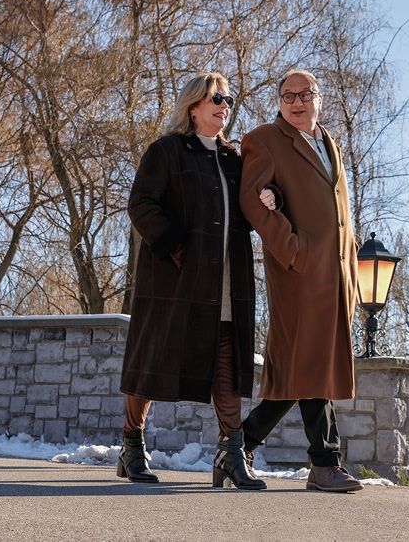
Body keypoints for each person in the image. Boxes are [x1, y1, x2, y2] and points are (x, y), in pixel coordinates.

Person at [119, 72, 266, 490]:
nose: (225, 106)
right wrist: (174, 244)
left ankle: (231, 453)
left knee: (226, 364)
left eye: (229, 99)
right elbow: (141, 203)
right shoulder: (166, 152)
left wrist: (270, 199)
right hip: (175, 280)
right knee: (152, 360)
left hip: (225, 283)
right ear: (193, 106)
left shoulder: (234, 161)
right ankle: (132, 444)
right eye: (216, 98)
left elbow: (249, 212)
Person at [239, 69, 363, 492]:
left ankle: (238, 445)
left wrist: (350, 261)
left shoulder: (330, 143)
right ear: (279, 100)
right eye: (287, 95)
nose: (296, 102)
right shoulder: (264, 140)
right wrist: (293, 251)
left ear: (319, 99)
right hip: (299, 274)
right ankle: (325, 463)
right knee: (310, 363)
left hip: (337, 275)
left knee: (305, 367)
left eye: (304, 94)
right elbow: (254, 204)